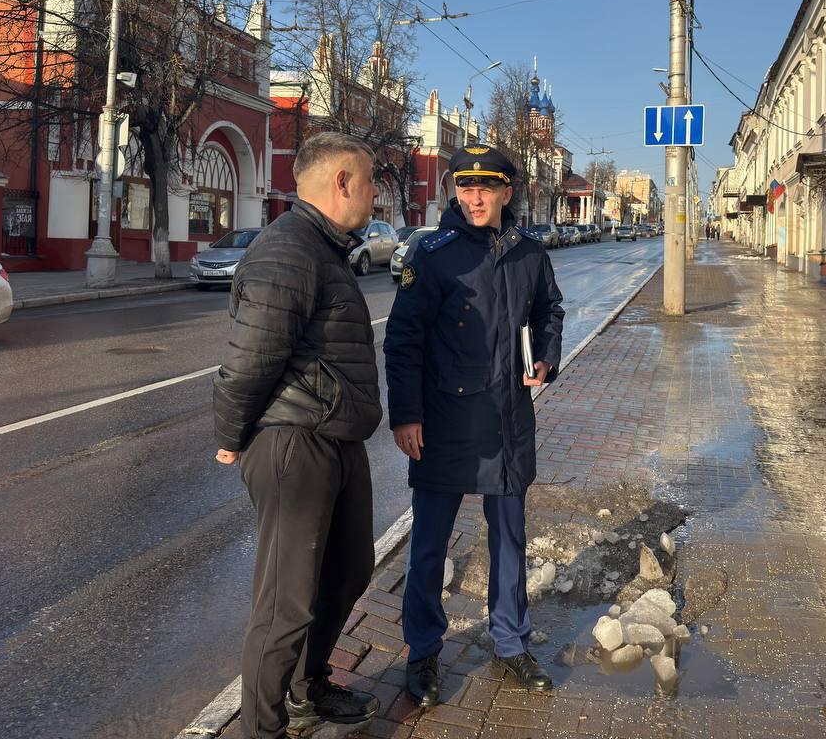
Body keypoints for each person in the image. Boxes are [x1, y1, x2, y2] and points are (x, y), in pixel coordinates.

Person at [213, 132, 383, 739]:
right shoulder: (287, 249)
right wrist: (233, 433)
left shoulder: (325, 247)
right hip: (295, 442)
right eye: (368, 179)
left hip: (337, 438)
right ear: (340, 181)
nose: (375, 190)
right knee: (286, 604)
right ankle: (263, 728)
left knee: (349, 570)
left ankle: (309, 688)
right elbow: (250, 357)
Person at [384, 144, 565, 707]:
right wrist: (407, 415)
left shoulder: (529, 252)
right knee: (430, 546)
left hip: (508, 419)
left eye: (487, 187)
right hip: (440, 421)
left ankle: (510, 644)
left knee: (509, 539)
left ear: (508, 192)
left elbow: (549, 310)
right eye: (466, 187)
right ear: (456, 191)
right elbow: (403, 340)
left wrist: (546, 356)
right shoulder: (432, 255)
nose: (476, 198)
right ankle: (422, 653)